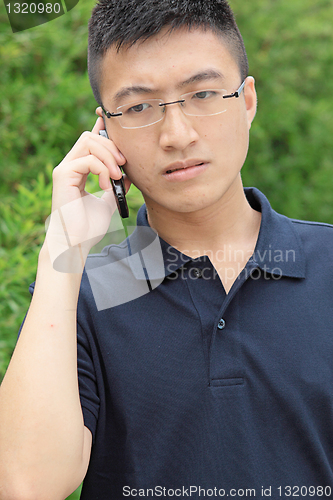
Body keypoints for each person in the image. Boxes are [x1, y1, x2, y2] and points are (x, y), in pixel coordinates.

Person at [1, 0, 333, 499]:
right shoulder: (89, 294)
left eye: (202, 93)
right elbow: (26, 485)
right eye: (138, 107)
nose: (177, 135)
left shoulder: (327, 264)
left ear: (247, 101)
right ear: (105, 132)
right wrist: (62, 250)